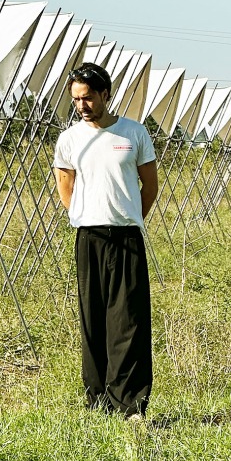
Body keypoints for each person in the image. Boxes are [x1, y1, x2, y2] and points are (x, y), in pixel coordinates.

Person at [53, 63, 158, 417]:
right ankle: (97, 400)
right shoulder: (69, 140)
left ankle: (130, 404)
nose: (81, 106)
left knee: (129, 320)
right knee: (93, 318)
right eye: (76, 100)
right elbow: (65, 186)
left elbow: (150, 186)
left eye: (87, 98)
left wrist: (128, 215)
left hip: (126, 237)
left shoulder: (133, 133)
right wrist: (87, 214)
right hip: (89, 237)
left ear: (105, 95)